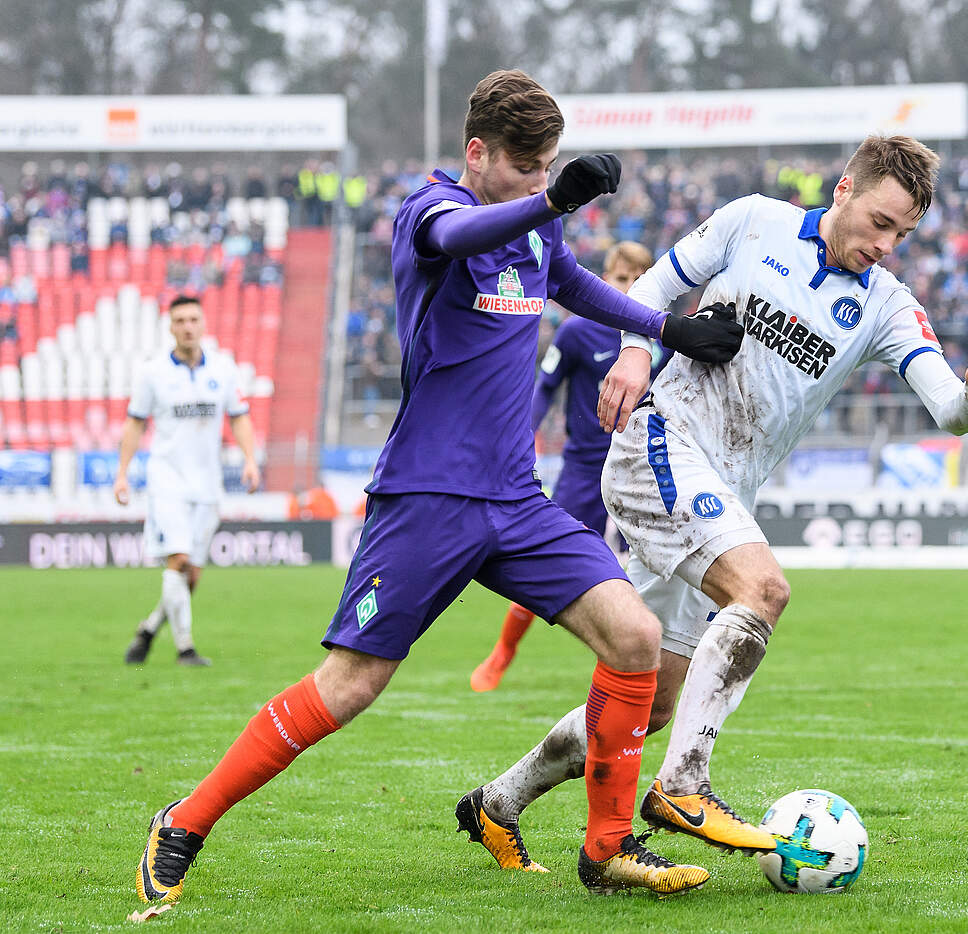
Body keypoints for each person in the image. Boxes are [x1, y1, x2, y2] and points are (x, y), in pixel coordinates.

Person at [135, 69, 744, 907]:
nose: (538, 182)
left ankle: (607, 849)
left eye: (548, 168)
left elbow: (573, 286)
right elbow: (459, 235)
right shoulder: (429, 212)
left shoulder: (536, 226)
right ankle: (185, 819)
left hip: (515, 500)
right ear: (477, 153)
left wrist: (671, 327)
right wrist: (551, 200)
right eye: (525, 167)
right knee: (351, 685)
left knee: (635, 638)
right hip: (427, 496)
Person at [461, 135, 968, 867]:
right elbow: (650, 289)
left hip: (724, 493)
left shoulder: (886, 305)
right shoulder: (755, 221)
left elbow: (948, 407)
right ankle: (683, 785)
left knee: (651, 704)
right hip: (660, 443)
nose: (886, 245)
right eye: (880, 223)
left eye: (903, 235)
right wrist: (634, 353)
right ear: (845, 190)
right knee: (763, 590)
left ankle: (498, 802)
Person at [471, 241, 670, 692]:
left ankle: (641, 659)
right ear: (606, 280)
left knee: (653, 569)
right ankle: (504, 650)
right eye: (621, 279)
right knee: (547, 559)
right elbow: (544, 387)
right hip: (585, 469)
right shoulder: (577, 332)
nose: (630, 288)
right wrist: (521, 436)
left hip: (643, 466)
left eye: (639, 280)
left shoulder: (659, 338)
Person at [117, 295, 261, 667]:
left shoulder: (224, 369)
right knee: (178, 560)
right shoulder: (152, 373)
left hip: (207, 485)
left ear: (203, 324)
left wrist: (249, 459)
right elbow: (135, 423)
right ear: (170, 327)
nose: (187, 327)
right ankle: (186, 649)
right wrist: (122, 473)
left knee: (191, 576)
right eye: (180, 320)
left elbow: (239, 417)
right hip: (167, 481)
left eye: (193, 319)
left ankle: (148, 630)